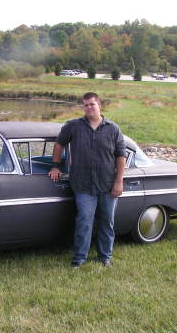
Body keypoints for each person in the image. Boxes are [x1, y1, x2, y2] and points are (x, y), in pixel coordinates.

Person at [48, 92, 126, 268]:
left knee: (107, 221)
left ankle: (105, 257)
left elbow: (121, 156)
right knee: (84, 221)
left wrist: (119, 181)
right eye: (86, 105)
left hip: (108, 185)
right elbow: (59, 144)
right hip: (82, 184)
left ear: (100, 105)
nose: (89, 107)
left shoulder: (113, 128)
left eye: (92, 104)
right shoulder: (73, 126)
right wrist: (55, 166)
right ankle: (79, 259)